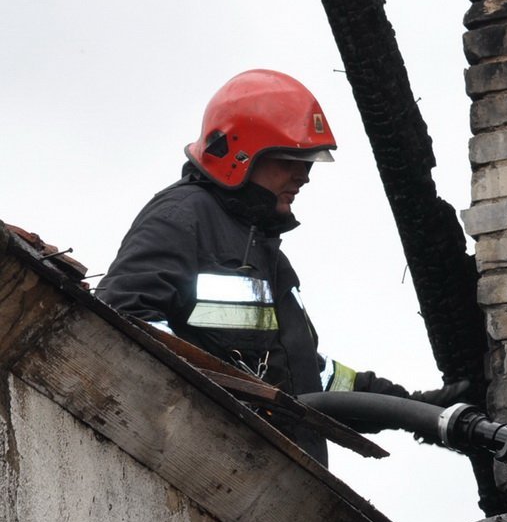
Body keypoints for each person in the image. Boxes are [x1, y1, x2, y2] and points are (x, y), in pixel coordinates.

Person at [100, 69, 458, 464]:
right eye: (291, 159)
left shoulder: (268, 256)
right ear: (240, 155)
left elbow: (311, 378)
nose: (303, 175)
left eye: (308, 162)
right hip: (211, 468)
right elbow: (121, 321)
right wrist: (213, 405)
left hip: (279, 476)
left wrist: (417, 411)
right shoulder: (184, 217)